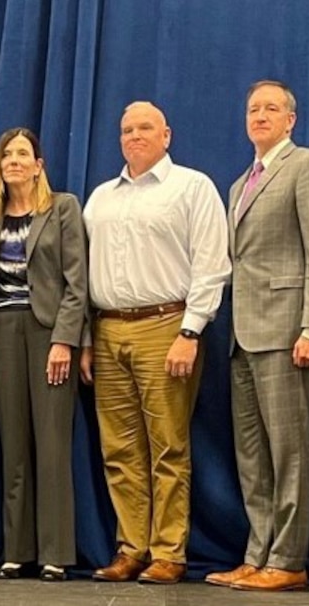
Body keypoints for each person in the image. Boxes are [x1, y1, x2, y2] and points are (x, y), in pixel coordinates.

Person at [80, 102, 231, 584]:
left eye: (145, 127)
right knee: (119, 450)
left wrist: (191, 331)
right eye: (126, 129)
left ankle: (169, 551)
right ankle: (131, 547)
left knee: (168, 446)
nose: (134, 136)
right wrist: (86, 339)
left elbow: (212, 263)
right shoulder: (100, 198)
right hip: (107, 329)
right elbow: (82, 274)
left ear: (166, 134)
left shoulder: (192, 187)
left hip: (165, 326)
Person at [206, 80, 309, 592]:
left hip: (287, 332)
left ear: (291, 119)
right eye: (252, 109)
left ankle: (287, 560)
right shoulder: (240, 184)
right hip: (242, 334)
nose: (260, 115)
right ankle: (257, 554)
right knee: (252, 453)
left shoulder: (307, 166)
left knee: (289, 451)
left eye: (271, 108)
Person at [0, 128, 87, 582]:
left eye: (23, 154)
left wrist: (65, 339)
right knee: (13, 443)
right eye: (8, 155)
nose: (15, 161)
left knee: (52, 442)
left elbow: (77, 282)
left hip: (48, 332)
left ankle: (55, 553)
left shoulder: (62, 208)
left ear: (38, 164)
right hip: (1, 329)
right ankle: (16, 551)